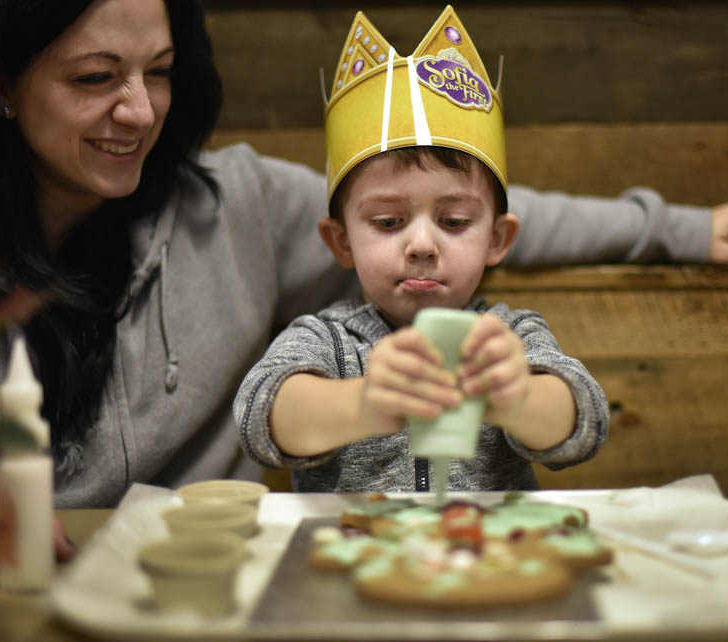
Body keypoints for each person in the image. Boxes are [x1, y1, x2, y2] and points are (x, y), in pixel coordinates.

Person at [0, 0, 728, 513]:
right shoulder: (331, 337)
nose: (141, 112)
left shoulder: (238, 203)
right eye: (94, 78)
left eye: (162, 70)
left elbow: (473, 209)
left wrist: (678, 228)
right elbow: (273, 409)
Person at [233, 7, 608, 492]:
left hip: (483, 555)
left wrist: (515, 398)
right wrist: (364, 403)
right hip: (354, 554)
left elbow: (584, 423)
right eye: (389, 222)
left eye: (454, 222)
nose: (423, 245)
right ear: (341, 241)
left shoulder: (509, 337)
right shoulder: (326, 341)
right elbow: (260, 419)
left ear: (496, 239)